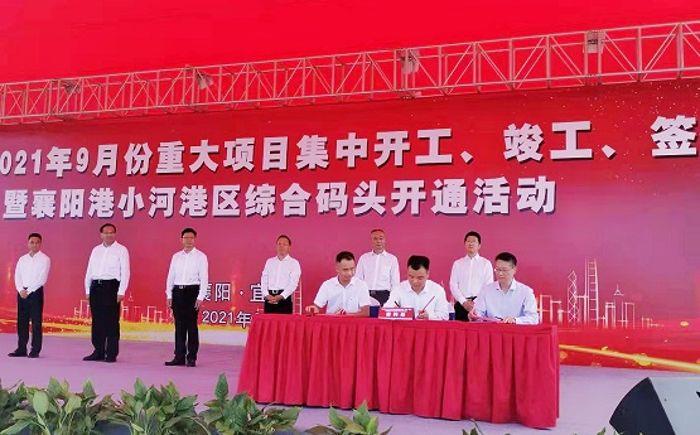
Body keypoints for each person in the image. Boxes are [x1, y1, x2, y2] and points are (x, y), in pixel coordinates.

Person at [83, 223, 130, 363]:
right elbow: (89, 270)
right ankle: (98, 351)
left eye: (111, 232)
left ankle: (111, 353)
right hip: (96, 287)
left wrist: (121, 291)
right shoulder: (96, 250)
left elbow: (126, 272)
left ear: (115, 234)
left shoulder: (121, 250)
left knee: (111, 321)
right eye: (106, 232)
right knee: (97, 321)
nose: (109, 235)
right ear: (101, 235)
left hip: (111, 287)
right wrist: (87, 290)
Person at [165, 228, 208, 367]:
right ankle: (179, 356)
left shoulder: (201, 256)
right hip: (178, 291)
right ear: (181, 239)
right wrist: (169, 294)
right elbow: (171, 276)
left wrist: (200, 297)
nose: (188, 240)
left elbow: (204, 278)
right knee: (179, 326)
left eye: (191, 238)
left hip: (192, 291)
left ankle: (191, 357)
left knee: (191, 326)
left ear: (195, 239)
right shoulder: (176, 256)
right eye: (186, 238)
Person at [9, 233, 50, 358]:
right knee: (22, 322)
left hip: (35, 293)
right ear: (28, 244)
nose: (34, 244)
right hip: (22, 293)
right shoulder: (22, 259)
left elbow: (42, 279)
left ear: (40, 244)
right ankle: (21, 349)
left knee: (36, 323)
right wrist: (20, 289)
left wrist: (29, 291)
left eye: (37, 242)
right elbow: (17, 275)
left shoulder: (45, 259)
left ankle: (35, 350)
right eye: (32, 242)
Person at [469, 252, 540, 324]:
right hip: (492, 329)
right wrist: (474, 316)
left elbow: (533, 318)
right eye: (498, 269)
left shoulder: (526, 292)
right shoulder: (486, 290)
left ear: (514, 269)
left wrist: (515, 320)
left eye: (504, 270)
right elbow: (478, 314)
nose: (500, 273)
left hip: (515, 330)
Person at [305, 251, 370, 317]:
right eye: (345, 270)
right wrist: (313, 309)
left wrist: (345, 315)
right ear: (337, 269)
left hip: (354, 322)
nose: (350, 273)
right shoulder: (327, 285)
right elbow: (317, 306)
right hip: (332, 322)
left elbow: (366, 312)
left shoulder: (361, 285)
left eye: (352, 269)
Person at [384, 255, 449, 320]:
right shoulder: (398, 289)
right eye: (411, 277)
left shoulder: (437, 290)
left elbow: (445, 316)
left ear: (427, 274)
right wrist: (394, 311)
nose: (415, 281)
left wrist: (429, 316)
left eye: (420, 278)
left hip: (428, 326)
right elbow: (385, 310)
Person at [449, 231, 494, 321]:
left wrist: (475, 303)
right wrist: (463, 301)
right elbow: (453, 285)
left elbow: (488, 285)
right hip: (461, 304)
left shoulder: (486, 263)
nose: (471, 243)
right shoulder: (458, 263)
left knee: (478, 329)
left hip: (480, 305)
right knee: (459, 329)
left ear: (479, 245)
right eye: (468, 241)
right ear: (465, 244)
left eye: (474, 241)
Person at [356, 229, 400, 305]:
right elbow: (358, 279)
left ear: (385, 240)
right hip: (366, 295)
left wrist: (393, 299)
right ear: (371, 241)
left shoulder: (392, 259)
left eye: (381, 238)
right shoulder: (364, 258)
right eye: (375, 238)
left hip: (384, 296)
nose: (378, 241)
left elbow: (395, 282)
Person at [261, 235, 301, 314]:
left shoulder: (294, 263)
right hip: (269, 298)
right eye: (279, 244)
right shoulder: (270, 262)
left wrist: (281, 296)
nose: (281, 246)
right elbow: (264, 279)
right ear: (276, 246)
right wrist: (266, 295)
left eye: (284, 244)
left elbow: (293, 283)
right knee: (268, 321)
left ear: (289, 247)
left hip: (284, 298)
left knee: (283, 322)